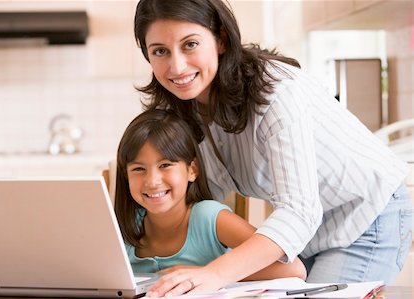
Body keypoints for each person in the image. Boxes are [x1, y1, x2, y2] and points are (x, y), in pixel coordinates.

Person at [132, 0, 413, 296]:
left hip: (366, 216)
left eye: (190, 44)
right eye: (160, 51)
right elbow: (198, 198)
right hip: (308, 232)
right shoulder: (182, 109)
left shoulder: (276, 92)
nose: (176, 66)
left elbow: (298, 212)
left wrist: (215, 273)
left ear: (221, 40)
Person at [114, 109, 306, 283]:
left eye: (165, 165)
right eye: (138, 169)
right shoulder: (121, 228)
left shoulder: (208, 218)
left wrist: (205, 272)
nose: (152, 181)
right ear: (126, 175)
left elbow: (293, 269)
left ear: (192, 169)